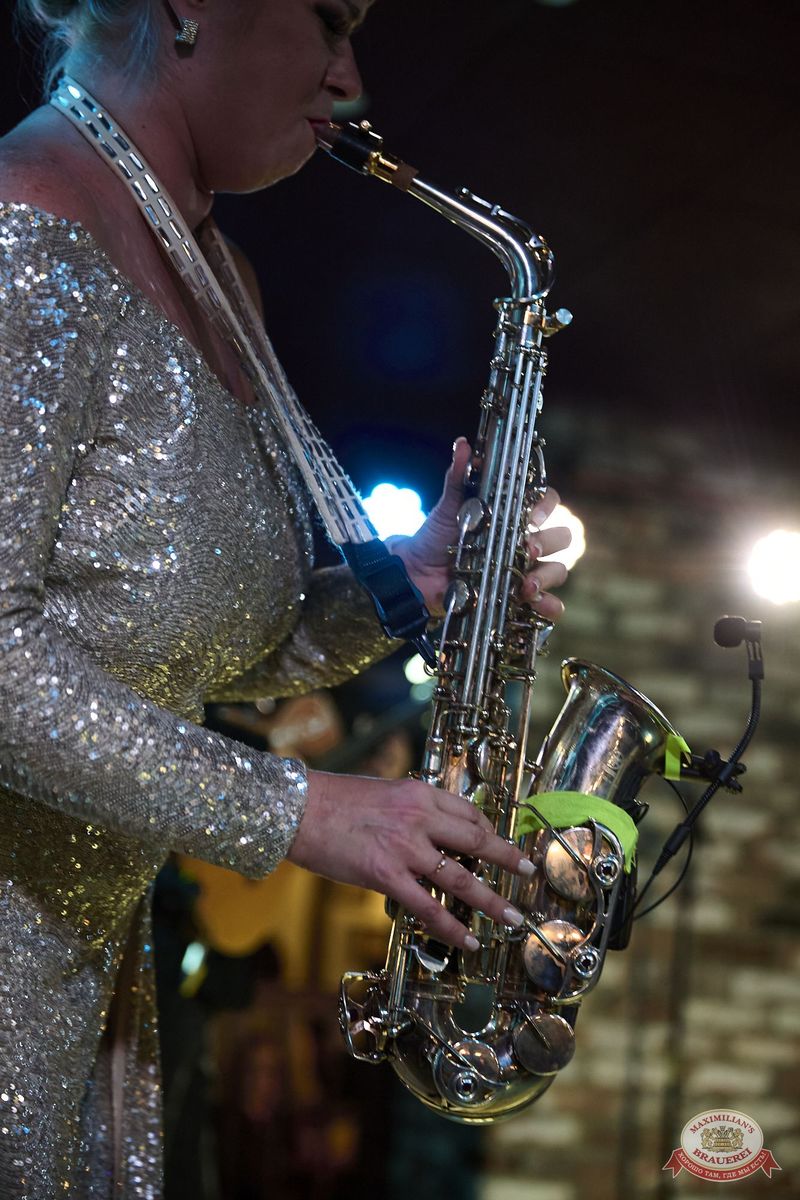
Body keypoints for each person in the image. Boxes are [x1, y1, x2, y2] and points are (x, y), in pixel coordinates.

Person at [0, 1, 570, 1195]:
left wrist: (411, 583)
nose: (349, 77)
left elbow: (184, 645)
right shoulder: (25, 220)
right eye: (328, 15)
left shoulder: (217, 272)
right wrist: (301, 809)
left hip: (82, 967)